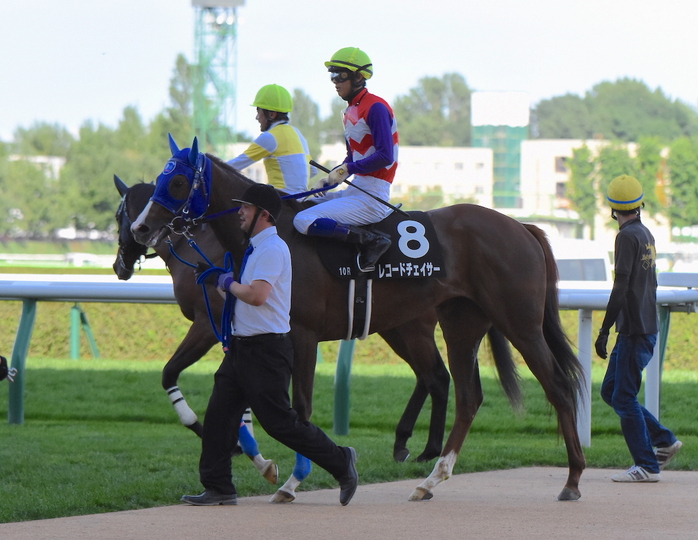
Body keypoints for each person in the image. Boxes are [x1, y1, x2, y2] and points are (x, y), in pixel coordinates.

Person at [181, 183, 357, 506]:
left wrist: (226, 281)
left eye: (245, 208)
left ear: (263, 214)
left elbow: (257, 296)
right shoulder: (254, 249)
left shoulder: (272, 249)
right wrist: (216, 280)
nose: (239, 212)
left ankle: (341, 460)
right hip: (241, 349)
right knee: (219, 417)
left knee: (280, 424)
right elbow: (242, 296)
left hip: (266, 352)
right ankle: (219, 487)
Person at [594, 174, 682, 483]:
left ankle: (647, 465)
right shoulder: (645, 233)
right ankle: (664, 440)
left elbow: (620, 286)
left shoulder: (625, 237)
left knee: (623, 397)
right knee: (611, 392)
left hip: (633, 331)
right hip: (642, 327)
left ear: (612, 208)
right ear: (639, 204)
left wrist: (604, 329)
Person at [293, 47, 398, 272]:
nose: (334, 81)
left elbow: (385, 156)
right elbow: (352, 157)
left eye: (339, 75)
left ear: (358, 77)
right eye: (332, 75)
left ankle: (372, 241)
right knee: (303, 203)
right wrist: (330, 180)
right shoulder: (350, 111)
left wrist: (346, 169)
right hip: (356, 190)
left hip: (374, 197)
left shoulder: (376, 107)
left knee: (302, 220)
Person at [227, 84, 315, 195]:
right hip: (302, 199)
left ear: (272, 114)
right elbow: (312, 171)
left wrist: (210, 167)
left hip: (280, 199)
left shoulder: (269, 137)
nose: (257, 117)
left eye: (258, 112)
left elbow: (232, 167)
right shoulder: (297, 134)